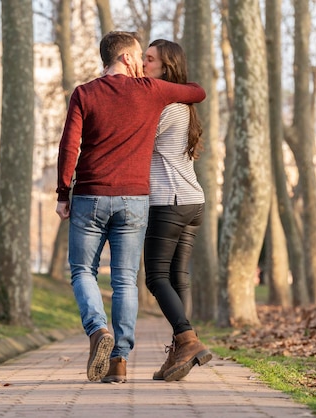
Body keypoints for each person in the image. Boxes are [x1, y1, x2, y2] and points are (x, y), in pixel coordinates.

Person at [55, 31, 206, 384]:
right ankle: (119, 361)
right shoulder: (151, 92)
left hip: (91, 195)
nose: (141, 63)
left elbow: (69, 146)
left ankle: (98, 330)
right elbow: (197, 91)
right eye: (139, 56)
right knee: (125, 280)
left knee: (82, 272)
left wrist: (63, 193)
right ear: (126, 58)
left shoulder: (84, 93)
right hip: (136, 200)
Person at [142, 39, 212, 382]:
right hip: (192, 201)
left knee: (156, 278)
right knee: (177, 277)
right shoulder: (183, 105)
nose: (143, 63)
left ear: (166, 67)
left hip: (169, 202)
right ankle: (178, 354)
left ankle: (187, 339)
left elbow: (137, 141)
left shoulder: (168, 107)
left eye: (150, 59)